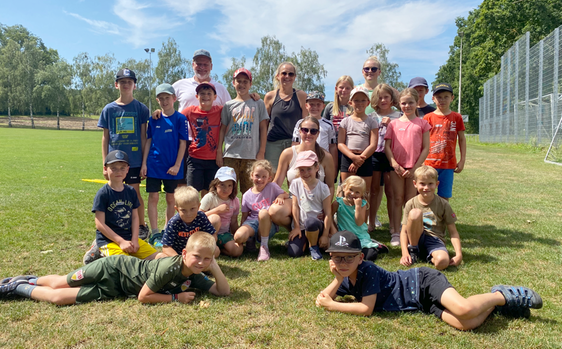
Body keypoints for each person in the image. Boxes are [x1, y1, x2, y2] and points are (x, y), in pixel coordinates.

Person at [316, 230, 543, 330]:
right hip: (420, 303)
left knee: (463, 309)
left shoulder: (369, 271)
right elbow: (323, 297)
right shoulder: (346, 276)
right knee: (467, 324)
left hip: (422, 281)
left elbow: (366, 308)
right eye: (337, 258)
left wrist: (333, 305)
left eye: (349, 258)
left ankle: (502, 294)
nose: (343, 262)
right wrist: (336, 278)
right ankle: (497, 307)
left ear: (361, 257)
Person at [1, 232, 230, 305]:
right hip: (112, 268)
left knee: (58, 298)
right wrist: (175, 298)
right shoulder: (170, 267)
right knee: (58, 282)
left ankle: (17, 288)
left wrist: (215, 267)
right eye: (197, 257)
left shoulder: (197, 275)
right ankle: (26, 280)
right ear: (184, 254)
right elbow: (143, 297)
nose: (200, 262)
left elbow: (223, 292)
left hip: (115, 289)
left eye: (206, 259)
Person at [97, 68, 149, 240]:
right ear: (116, 84)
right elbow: (105, 138)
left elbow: (143, 136)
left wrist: (143, 163)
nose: (126, 85)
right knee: (114, 193)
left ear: (134, 85)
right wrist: (104, 163)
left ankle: (141, 226)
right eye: (122, 82)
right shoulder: (109, 109)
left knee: (134, 194)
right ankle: (114, 228)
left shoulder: (141, 108)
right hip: (114, 162)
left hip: (133, 161)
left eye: (129, 82)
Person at [84, 150, 157, 265]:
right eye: (114, 168)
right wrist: (121, 242)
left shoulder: (131, 191)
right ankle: (98, 249)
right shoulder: (103, 194)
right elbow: (99, 223)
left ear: (128, 169)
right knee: (128, 265)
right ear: (105, 169)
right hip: (109, 240)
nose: (119, 171)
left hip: (129, 238)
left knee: (160, 258)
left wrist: (134, 240)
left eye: (122, 168)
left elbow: (134, 217)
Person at [141, 83, 188, 241]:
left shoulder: (181, 119)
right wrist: (144, 164)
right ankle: (155, 233)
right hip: (154, 165)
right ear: (157, 100)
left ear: (174, 98)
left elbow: (183, 143)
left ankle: (167, 230)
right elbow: (148, 141)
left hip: (172, 167)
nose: (164, 101)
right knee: (153, 197)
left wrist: (177, 165)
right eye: (161, 98)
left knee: (170, 199)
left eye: (167, 98)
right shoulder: (153, 119)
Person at [384, 88, 431, 240]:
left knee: (411, 201)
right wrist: (395, 165)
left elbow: (426, 148)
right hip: (397, 168)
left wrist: (416, 167)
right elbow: (387, 147)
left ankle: (409, 231)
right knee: (397, 199)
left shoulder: (422, 124)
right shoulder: (393, 124)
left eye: (410, 102)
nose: (407, 106)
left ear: (417, 103)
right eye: (403, 103)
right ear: (399, 104)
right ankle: (396, 232)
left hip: (414, 169)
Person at [399, 166, 462, 270]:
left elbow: (453, 232)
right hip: (415, 238)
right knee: (415, 213)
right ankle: (414, 251)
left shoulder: (443, 204)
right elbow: (404, 231)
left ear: (437, 184)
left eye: (430, 184)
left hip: (434, 240)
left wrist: (459, 254)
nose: (426, 187)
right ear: (415, 184)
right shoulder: (411, 203)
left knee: (443, 262)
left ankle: (428, 257)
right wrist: (404, 253)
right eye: (422, 183)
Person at [217, 68, 269, 195]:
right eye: (238, 81)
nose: (242, 84)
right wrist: (219, 151)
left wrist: (261, 151)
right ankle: (229, 215)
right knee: (228, 191)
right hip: (231, 155)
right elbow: (222, 129)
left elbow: (263, 128)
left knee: (251, 191)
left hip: (251, 155)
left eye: (245, 81)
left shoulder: (258, 103)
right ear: (233, 83)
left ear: (250, 84)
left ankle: (250, 215)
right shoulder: (228, 105)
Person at [233, 160, 289, 262]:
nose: (260, 179)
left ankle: (264, 247)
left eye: (264, 177)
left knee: (263, 212)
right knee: (238, 237)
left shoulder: (272, 187)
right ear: (251, 175)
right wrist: (244, 231)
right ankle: (250, 240)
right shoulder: (246, 195)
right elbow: (245, 216)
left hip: (267, 223)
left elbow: (286, 194)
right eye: (257, 176)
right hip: (252, 222)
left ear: (269, 178)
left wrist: (281, 196)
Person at [368, 84, 401, 244]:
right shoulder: (372, 117)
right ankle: (371, 222)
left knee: (391, 191)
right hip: (375, 155)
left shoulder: (398, 116)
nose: (383, 100)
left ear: (391, 98)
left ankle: (394, 226)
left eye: (386, 97)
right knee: (374, 190)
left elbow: (403, 137)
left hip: (392, 156)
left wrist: (391, 126)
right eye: (380, 97)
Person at [424, 83, 467, 200]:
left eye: (446, 97)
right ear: (433, 98)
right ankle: (428, 218)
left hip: (448, 164)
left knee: (444, 197)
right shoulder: (427, 118)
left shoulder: (457, 117)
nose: (442, 100)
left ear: (452, 98)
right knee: (427, 194)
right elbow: (422, 141)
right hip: (429, 164)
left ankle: (442, 218)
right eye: (439, 97)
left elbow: (462, 139)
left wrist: (462, 160)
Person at [288, 151, 332, 260]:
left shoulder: (323, 187)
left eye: (309, 169)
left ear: (317, 167)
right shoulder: (295, 183)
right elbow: (295, 206)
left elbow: (328, 213)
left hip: (316, 225)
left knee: (310, 222)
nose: (306, 173)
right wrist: (297, 227)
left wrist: (325, 235)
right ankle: (307, 241)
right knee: (294, 252)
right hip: (302, 227)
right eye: (302, 170)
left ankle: (313, 246)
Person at [331, 176, 387, 261]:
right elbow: (329, 216)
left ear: (362, 194)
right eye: (351, 189)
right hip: (345, 235)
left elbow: (359, 222)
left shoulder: (362, 204)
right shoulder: (338, 203)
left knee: (370, 256)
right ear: (344, 188)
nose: (353, 194)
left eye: (357, 192)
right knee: (342, 253)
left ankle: (375, 246)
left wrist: (357, 206)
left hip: (360, 235)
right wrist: (334, 229)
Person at [264, 62, 307, 170]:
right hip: (273, 143)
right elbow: (264, 125)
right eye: (284, 73)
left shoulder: (301, 95)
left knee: (293, 177)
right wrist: (261, 148)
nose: (287, 76)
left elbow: (305, 123)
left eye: (291, 74)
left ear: (295, 77)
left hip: (294, 143)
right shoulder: (270, 96)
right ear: (278, 76)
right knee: (270, 177)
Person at [182, 82, 222, 198]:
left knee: (209, 193)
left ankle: (205, 215)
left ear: (215, 97)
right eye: (202, 93)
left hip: (213, 159)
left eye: (209, 93)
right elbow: (175, 118)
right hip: (195, 158)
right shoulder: (190, 111)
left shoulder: (220, 110)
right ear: (196, 96)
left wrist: (252, 96)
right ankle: (193, 215)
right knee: (192, 192)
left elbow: (236, 107)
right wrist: (159, 112)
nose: (206, 96)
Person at [338, 86, 378, 197]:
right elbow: (340, 143)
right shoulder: (345, 122)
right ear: (350, 102)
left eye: (363, 100)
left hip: (365, 158)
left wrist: (360, 159)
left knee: (364, 193)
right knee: (345, 191)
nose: (359, 103)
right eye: (356, 100)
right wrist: (353, 157)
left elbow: (373, 144)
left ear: (368, 102)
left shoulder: (372, 122)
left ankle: (363, 214)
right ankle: (344, 214)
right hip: (348, 158)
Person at [159, 186, 219, 257]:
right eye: (183, 210)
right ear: (177, 209)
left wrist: (204, 247)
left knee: (216, 250)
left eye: (192, 209)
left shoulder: (201, 217)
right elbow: (166, 247)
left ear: (198, 206)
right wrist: (180, 258)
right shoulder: (174, 222)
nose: (188, 214)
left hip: (198, 251)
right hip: (179, 254)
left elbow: (213, 236)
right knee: (161, 256)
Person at [200, 167, 243, 258]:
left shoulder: (234, 201)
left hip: (224, 234)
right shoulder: (210, 197)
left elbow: (234, 221)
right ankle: (209, 245)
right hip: (208, 233)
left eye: (229, 185)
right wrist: (217, 210)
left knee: (238, 251)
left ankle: (221, 250)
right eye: (222, 185)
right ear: (215, 184)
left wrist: (236, 238)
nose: (225, 189)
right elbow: (198, 216)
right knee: (215, 218)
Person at [292, 91, 338, 165]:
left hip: (323, 161)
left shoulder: (329, 125)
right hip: (303, 160)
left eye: (318, 104)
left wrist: (334, 166)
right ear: (306, 106)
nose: (315, 107)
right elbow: (295, 144)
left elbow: (332, 147)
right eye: (311, 104)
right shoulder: (300, 123)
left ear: (323, 106)